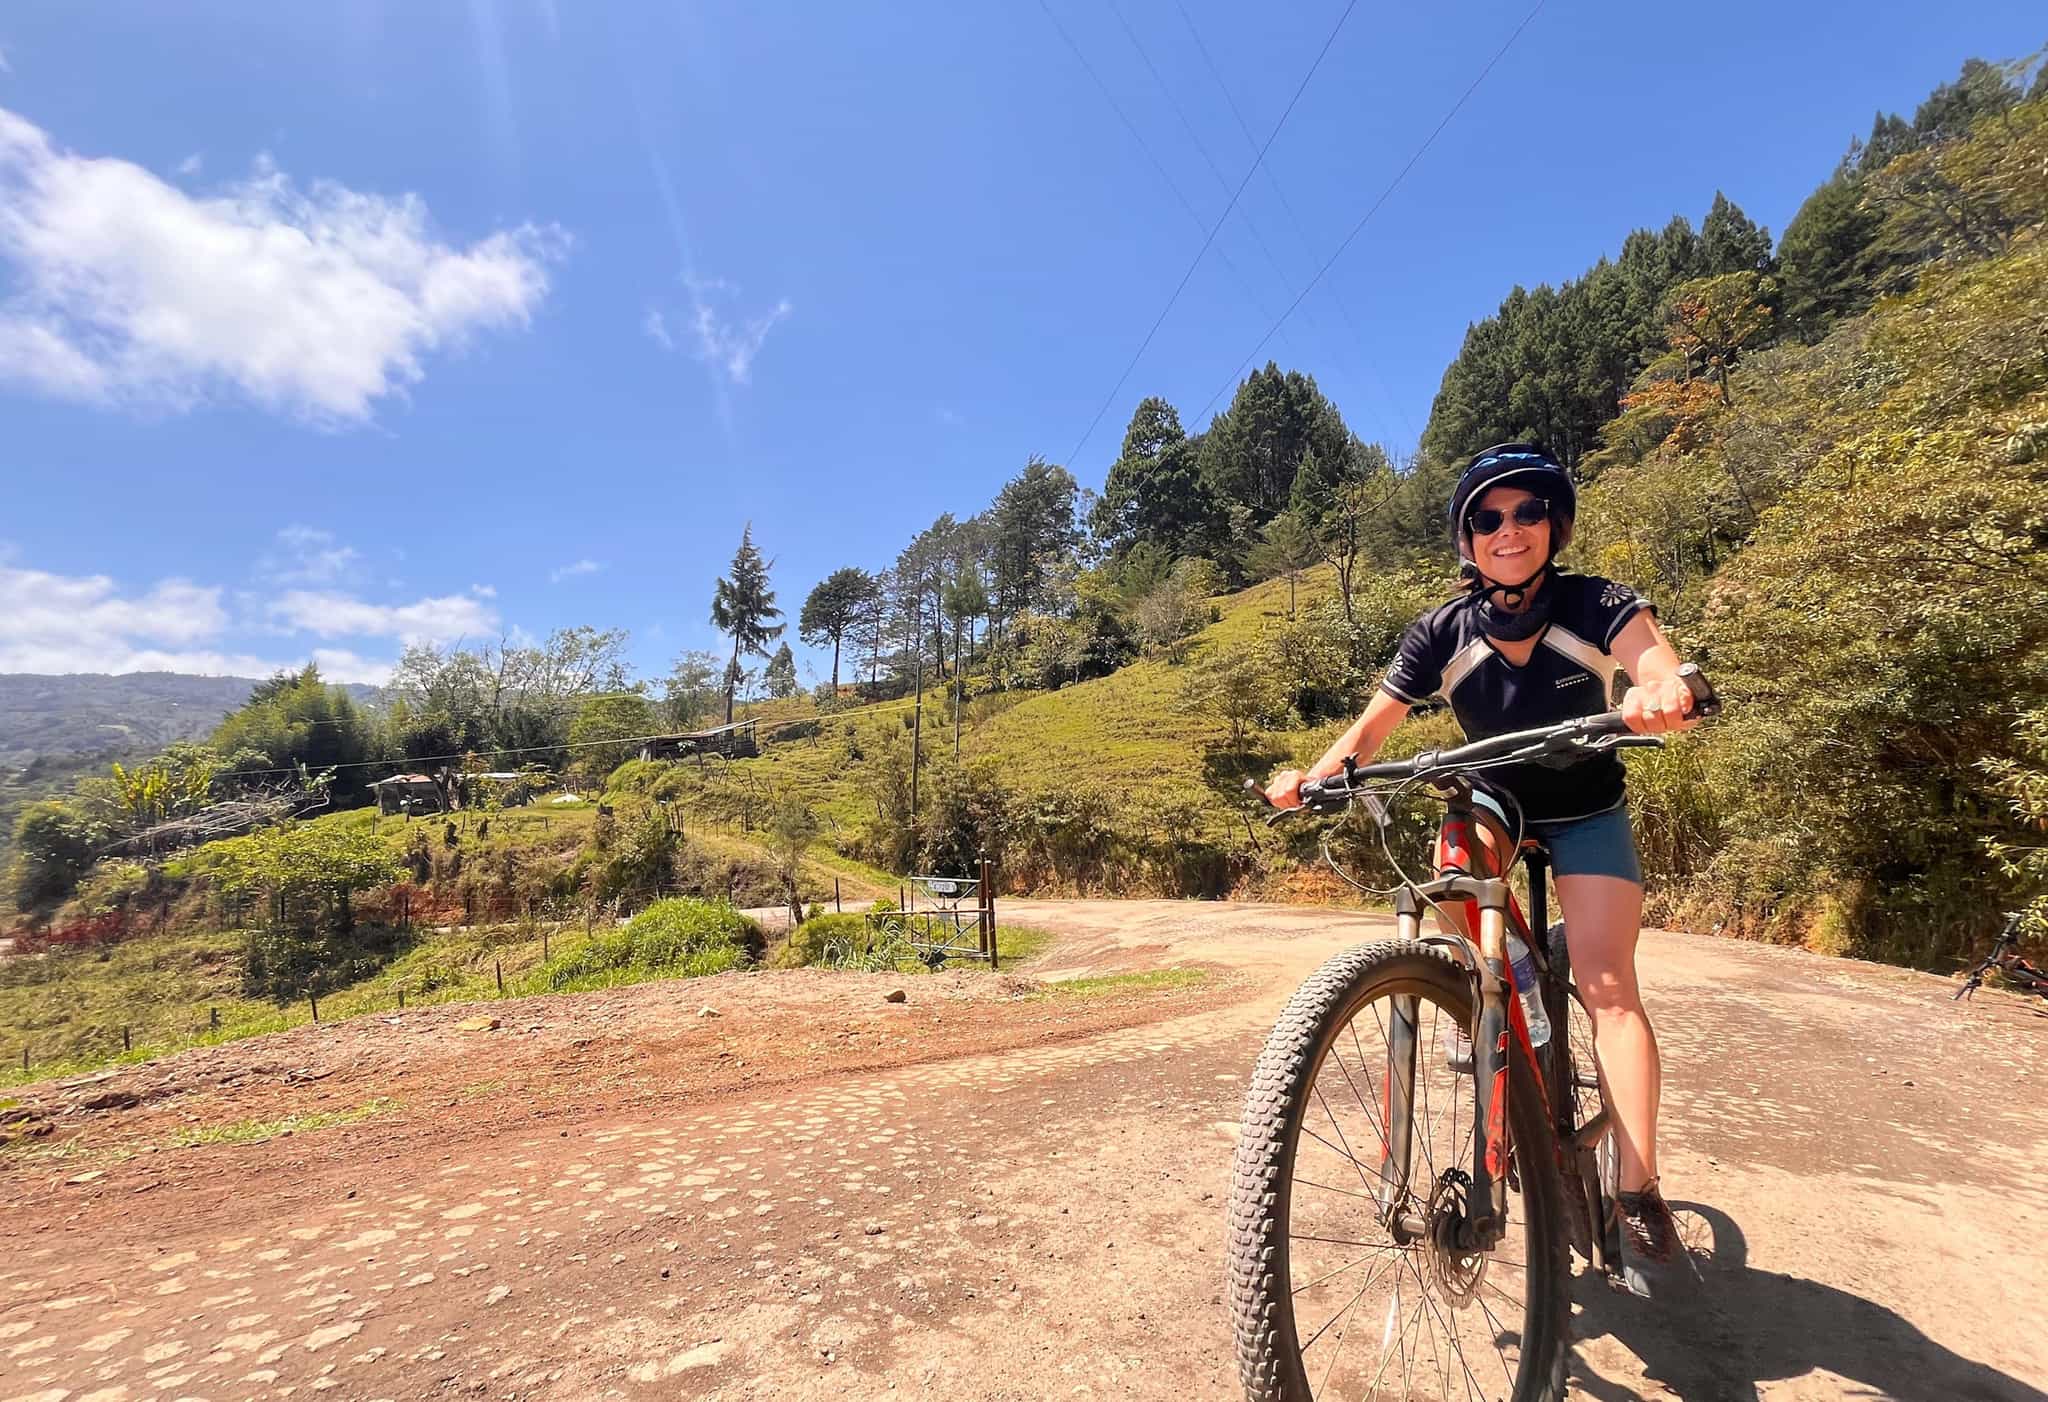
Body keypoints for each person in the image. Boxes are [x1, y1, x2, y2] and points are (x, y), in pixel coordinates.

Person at [1262, 441, 1701, 1287]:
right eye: (1488, 518)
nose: (1510, 529)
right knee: (1452, 845)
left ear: (1553, 524)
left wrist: (1660, 691)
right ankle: (1514, 991)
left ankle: (1640, 1191)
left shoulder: (1596, 602)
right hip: (1499, 798)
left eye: (1528, 511)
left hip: (1587, 805)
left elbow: (1654, 660)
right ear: (1468, 540)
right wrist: (1310, 778)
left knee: (1609, 986)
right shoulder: (1441, 632)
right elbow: (1370, 733)